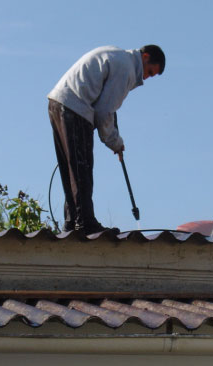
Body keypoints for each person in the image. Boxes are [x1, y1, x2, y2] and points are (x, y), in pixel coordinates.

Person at [47, 44, 165, 234]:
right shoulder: (126, 69)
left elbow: (107, 106)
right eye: (149, 72)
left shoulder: (117, 56)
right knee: (81, 169)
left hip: (58, 102)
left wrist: (113, 135)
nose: (146, 77)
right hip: (75, 107)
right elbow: (104, 112)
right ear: (145, 56)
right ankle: (85, 223)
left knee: (72, 169)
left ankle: (71, 222)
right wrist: (115, 142)